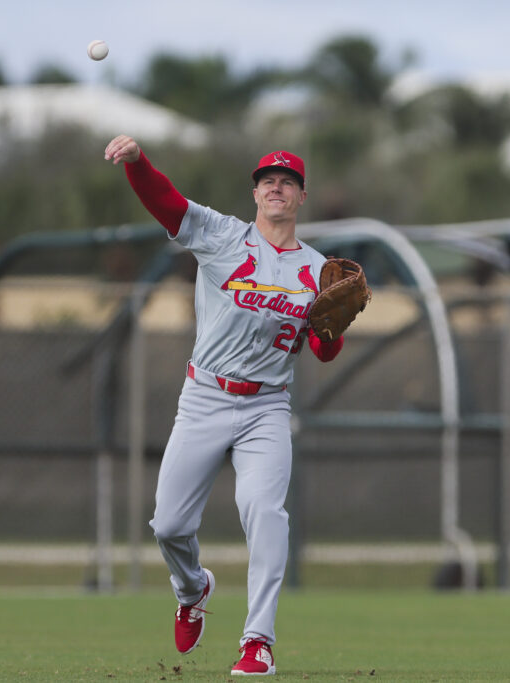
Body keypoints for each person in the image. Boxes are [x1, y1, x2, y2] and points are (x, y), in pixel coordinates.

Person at [104, 135, 344, 676]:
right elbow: (166, 202)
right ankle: (193, 589)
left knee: (264, 512)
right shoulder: (222, 236)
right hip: (206, 397)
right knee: (167, 524)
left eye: (288, 181)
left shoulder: (318, 270)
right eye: (267, 180)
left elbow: (326, 352)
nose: (276, 186)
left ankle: (257, 641)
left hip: (266, 408)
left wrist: (330, 326)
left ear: (301, 197)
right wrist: (138, 163)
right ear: (255, 193)